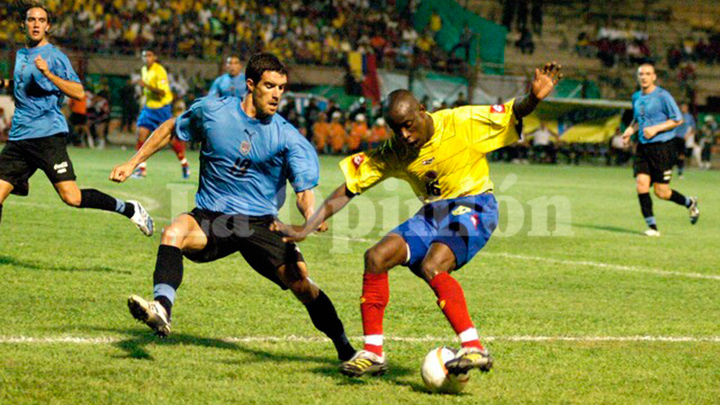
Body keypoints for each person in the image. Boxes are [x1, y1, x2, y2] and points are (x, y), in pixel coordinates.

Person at [274, 63, 563, 377]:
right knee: (376, 256)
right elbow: (350, 187)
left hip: (475, 204)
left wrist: (534, 98)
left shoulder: (461, 122)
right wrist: (308, 225)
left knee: (432, 265)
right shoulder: (396, 150)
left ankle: (473, 346)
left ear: (423, 111)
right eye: (396, 128)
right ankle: (373, 353)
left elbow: (513, 111)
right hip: (432, 213)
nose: (404, 135)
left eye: (409, 125)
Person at [109, 53, 356, 362]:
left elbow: (304, 190)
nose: (278, 94)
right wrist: (133, 163)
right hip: (212, 218)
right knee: (173, 232)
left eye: (282, 87)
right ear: (250, 85)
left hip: (260, 224)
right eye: (270, 86)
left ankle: (346, 349)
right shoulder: (213, 112)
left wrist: (310, 217)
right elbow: (173, 129)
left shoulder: (288, 137)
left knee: (302, 286)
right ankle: (162, 308)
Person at [0, 2, 152, 235]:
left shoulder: (55, 57)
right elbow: (22, 84)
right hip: (19, 138)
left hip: (46, 136)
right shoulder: (21, 55)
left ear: (48, 26)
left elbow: (78, 92)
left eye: (41, 20)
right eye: (32, 20)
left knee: (72, 197)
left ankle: (129, 209)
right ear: (23, 25)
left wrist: (48, 73)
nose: (36, 24)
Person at [622, 64, 699, 237]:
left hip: (663, 147)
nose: (644, 77)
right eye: (641, 74)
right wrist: (629, 131)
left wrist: (656, 129)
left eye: (648, 74)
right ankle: (653, 227)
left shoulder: (663, 96)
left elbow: (677, 120)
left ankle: (689, 202)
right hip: (643, 147)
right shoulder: (636, 97)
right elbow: (637, 120)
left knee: (661, 192)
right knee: (641, 184)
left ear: (654, 77)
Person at [132, 48, 190, 179]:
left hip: (162, 108)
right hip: (149, 107)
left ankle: (184, 164)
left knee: (170, 139)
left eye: (149, 55)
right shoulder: (144, 70)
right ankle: (141, 169)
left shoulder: (160, 71)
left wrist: (145, 86)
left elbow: (162, 92)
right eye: (144, 55)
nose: (146, 58)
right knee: (141, 135)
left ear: (155, 57)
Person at [674, 103, 695, 178]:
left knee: (681, 155)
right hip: (674, 137)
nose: (683, 109)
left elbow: (693, 128)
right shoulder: (676, 116)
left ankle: (680, 171)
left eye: (684, 107)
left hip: (682, 138)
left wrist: (687, 135)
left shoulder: (689, 117)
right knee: (672, 154)